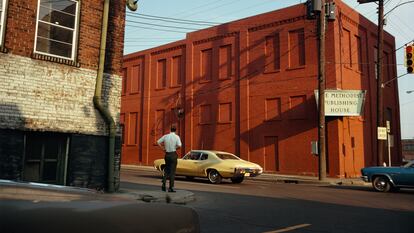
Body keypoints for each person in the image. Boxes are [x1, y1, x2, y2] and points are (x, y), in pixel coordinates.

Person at [157, 125, 182, 192]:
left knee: (167, 170)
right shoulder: (177, 137)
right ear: (175, 130)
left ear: (170, 130)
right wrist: (175, 148)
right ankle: (171, 187)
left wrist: (163, 149)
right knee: (172, 172)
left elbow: (158, 142)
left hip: (167, 155)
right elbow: (179, 146)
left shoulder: (165, 136)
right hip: (173, 154)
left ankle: (164, 184)